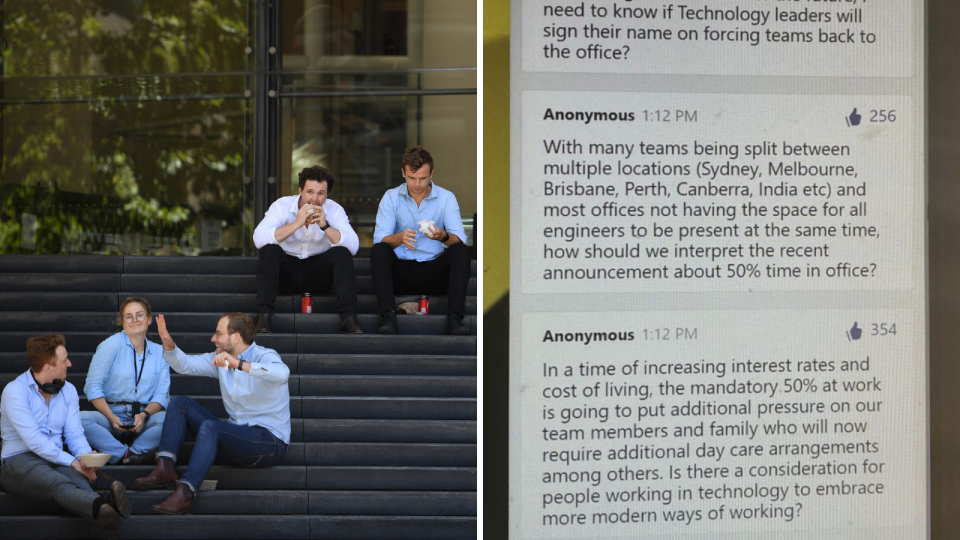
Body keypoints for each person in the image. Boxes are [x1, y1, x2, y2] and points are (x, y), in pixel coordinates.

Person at [133, 312, 290, 515]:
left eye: (218, 334)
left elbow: (282, 374)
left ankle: (186, 493)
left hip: (270, 442)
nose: (213, 339)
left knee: (212, 427)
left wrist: (239, 365)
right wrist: (168, 345)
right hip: (236, 436)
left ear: (236, 337)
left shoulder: (265, 355)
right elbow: (185, 365)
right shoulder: (219, 359)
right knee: (180, 403)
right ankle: (164, 468)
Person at [0, 334, 131, 539]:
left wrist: (85, 458)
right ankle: (103, 504)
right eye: (64, 360)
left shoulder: (68, 390)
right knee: (57, 483)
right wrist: (72, 462)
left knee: (77, 480)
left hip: (56, 457)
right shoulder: (15, 391)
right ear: (47, 367)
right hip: (19, 460)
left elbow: (74, 433)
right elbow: (33, 440)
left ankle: (108, 513)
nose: (69, 363)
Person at [372, 146, 471, 335]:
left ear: (431, 174)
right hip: (400, 272)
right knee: (379, 250)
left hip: (434, 272)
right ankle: (388, 315)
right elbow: (381, 240)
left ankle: (455, 317)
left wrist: (443, 236)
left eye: (423, 178)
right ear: (403, 173)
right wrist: (399, 238)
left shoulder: (446, 198)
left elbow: (459, 239)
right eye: (411, 177)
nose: (417, 183)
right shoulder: (391, 197)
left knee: (461, 250)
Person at [253, 165, 363, 334]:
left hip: (318, 275)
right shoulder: (282, 206)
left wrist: (325, 225)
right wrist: (297, 223)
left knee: (341, 251)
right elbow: (258, 239)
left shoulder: (334, 210)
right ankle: (264, 317)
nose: (314, 199)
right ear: (300, 190)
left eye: (321, 194)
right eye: (310, 192)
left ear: (327, 194)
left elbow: (354, 247)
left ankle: (349, 319)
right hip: (285, 274)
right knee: (270, 250)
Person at [81, 297, 169, 465]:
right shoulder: (110, 346)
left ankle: (135, 452)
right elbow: (92, 387)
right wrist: (111, 417)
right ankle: (125, 455)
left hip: (144, 418)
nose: (135, 320)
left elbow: (162, 395)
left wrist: (144, 415)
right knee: (79, 419)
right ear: (122, 322)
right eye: (128, 317)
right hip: (112, 414)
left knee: (169, 419)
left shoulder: (160, 352)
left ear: (149, 319)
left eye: (140, 315)